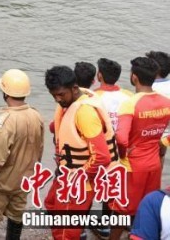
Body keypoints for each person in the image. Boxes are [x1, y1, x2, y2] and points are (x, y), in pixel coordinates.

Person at [43, 65, 116, 240]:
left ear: (74, 88)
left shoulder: (85, 113)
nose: (58, 99)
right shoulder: (75, 101)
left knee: (66, 232)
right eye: (54, 96)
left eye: (61, 94)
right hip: (66, 173)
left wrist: (78, 178)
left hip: (77, 181)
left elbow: (102, 156)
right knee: (51, 204)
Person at [0, 69, 44, 240]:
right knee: (16, 218)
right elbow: (39, 150)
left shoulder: (4, 122)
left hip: (1, 185)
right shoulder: (36, 116)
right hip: (24, 182)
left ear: (5, 93)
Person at [108, 57, 170, 240]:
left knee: (121, 209)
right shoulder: (166, 102)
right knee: (146, 207)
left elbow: (121, 138)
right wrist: (163, 144)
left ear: (134, 77)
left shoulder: (130, 103)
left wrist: (122, 155)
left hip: (132, 165)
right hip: (154, 164)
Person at [95, 58, 133, 131]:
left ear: (99, 75)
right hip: (125, 134)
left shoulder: (93, 96)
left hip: (105, 136)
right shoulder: (130, 95)